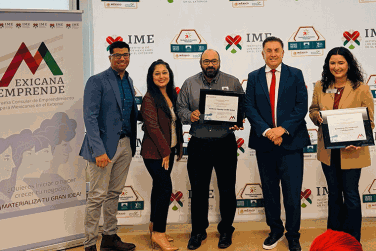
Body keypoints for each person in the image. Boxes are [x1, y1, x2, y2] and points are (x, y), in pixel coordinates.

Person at [245, 36, 310, 251]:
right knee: (270, 192)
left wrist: (282, 130)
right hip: (265, 144)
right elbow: (250, 108)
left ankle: (293, 234)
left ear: (283, 52)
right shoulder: (253, 77)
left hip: (291, 143)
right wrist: (267, 131)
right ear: (262, 53)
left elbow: (301, 107)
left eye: (277, 50)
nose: (273, 54)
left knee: (292, 194)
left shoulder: (296, 74)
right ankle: (275, 230)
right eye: (269, 50)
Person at [177, 49, 244, 250]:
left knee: (227, 189)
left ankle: (226, 230)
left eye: (214, 61)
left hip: (225, 142)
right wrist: (191, 116)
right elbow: (180, 110)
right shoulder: (189, 83)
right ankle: (198, 231)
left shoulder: (232, 82)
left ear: (219, 62)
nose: (210, 64)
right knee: (198, 190)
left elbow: (243, 108)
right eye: (206, 61)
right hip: (199, 143)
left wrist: (238, 120)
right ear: (200, 62)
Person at [309, 47, 374, 242]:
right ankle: (334, 238)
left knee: (352, 195)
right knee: (334, 195)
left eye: (341, 63)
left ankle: (352, 239)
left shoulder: (361, 87)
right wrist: (316, 116)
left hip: (352, 151)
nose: (336, 67)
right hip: (328, 151)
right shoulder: (321, 85)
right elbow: (313, 110)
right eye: (332, 63)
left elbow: (369, 121)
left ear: (348, 64)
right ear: (328, 65)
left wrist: (358, 139)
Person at [79, 41, 138, 251]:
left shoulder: (128, 80)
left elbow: (130, 114)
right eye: (117, 55)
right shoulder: (96, 81)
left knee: (114, 194)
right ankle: (89, 245)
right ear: (110, 57)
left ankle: (110, 237)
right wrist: (99, 150)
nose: (122, 58)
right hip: (102, 150)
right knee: (96, 197)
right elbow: (90, 117)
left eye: (126, 54)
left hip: (125, 145)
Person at [141, 59, 183, 251]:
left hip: (169, 150)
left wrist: (176, 148)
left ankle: (152, 226)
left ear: (169, 74)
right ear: (151, 77)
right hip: (154, 153)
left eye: (164, 72)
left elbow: (176, 124)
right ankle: (159, 233)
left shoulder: (172, 94)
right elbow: (153, 127)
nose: (161, 76)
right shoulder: (150, 97)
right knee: (165, 189)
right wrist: (165, 151)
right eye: (157, 73)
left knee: (159, 188)